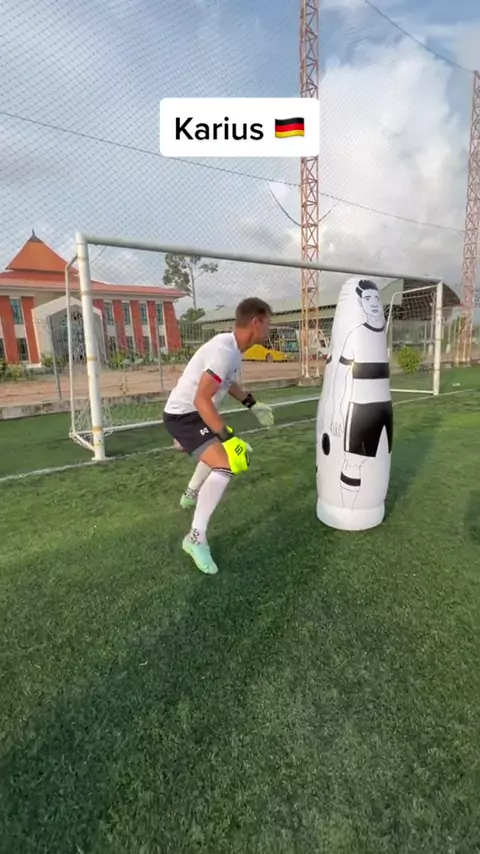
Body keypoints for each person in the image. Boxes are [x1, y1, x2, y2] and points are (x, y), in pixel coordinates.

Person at [163, 297, 275, 575]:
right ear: (256, 322)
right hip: (185, 416)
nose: (269, 329)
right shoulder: (225, 350)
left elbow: (229, 383)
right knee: (225, 465)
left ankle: (190, 493)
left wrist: (252, 404)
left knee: (215, 450)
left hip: (196, 414)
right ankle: (195, 538)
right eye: (268, 323)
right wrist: (230, 439)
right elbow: (202, 400)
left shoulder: (233, 349)